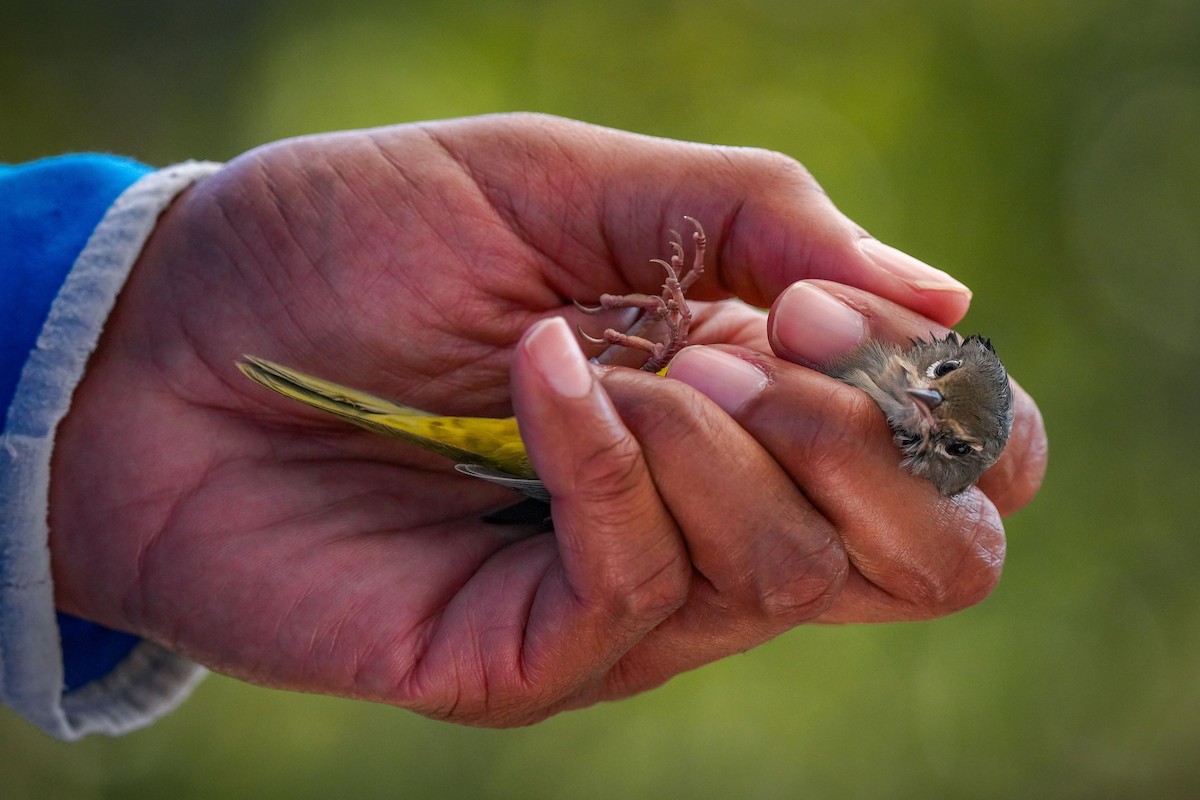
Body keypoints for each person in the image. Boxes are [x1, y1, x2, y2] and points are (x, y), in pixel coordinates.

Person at [0, 113, 1047, 740]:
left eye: (936, 429)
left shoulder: (860, 448)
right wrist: (130, 323)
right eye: (935, 376)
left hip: (553, 474)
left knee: (679, 458)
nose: (917, 401)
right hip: (545, 405)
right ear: (930, 352)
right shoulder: (842, 334)